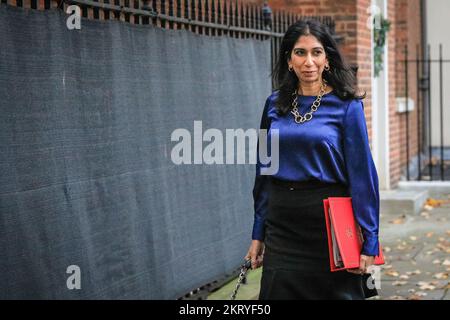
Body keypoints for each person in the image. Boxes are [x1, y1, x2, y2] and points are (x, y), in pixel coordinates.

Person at [245, 19, 381, 300]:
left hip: (330, 226)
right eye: (300, 52)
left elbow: (362, 175)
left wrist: (371, 238)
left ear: (327, 59)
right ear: (289, 60)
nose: (309, 61)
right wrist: (258, 231)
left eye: (316, 52)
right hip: (282, 225)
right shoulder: (273, 105)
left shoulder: (347, 105)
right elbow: (264, 171)